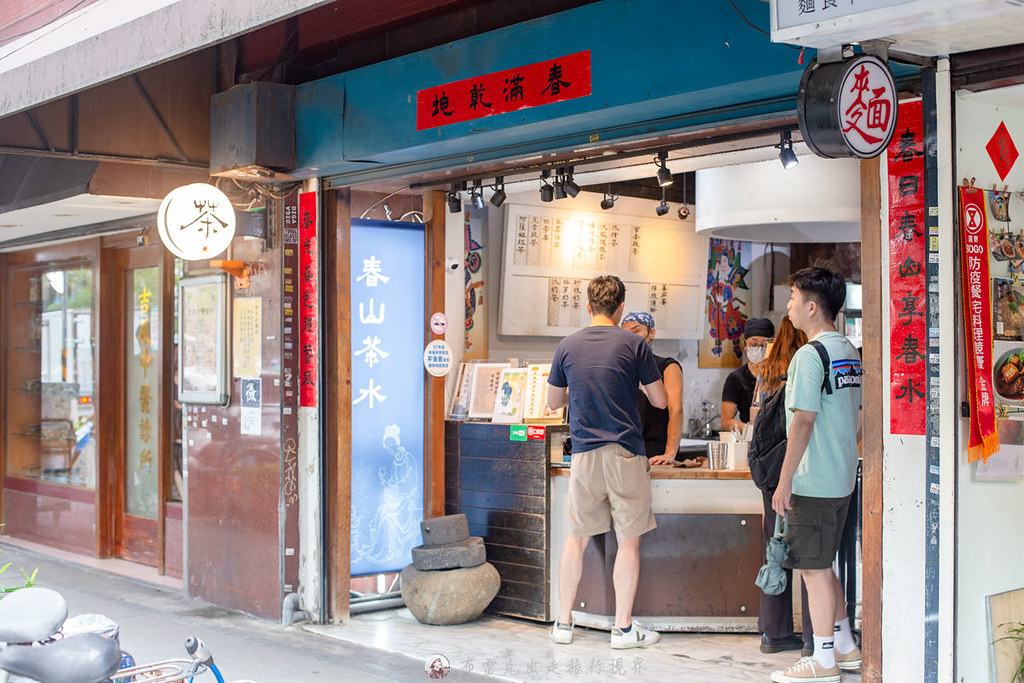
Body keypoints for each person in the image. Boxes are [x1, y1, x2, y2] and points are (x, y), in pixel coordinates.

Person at [546, 275, 668, 650]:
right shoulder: (635, 345)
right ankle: (623, 630)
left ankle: (563, 623)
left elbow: (553, 402)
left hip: (582, 455)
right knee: (628, 544)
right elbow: (661, 400)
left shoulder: (567, 346)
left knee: (575, 540)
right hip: (625, 453)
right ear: (619, 309)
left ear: (588, 307)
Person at [771, 267, 863, 683]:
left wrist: (785, 479)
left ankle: (823, 659)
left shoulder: (809, 356)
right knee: (823, 565)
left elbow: (803, 421)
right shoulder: (847, 349)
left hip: (813, 480)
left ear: (811, 306)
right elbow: (856, 417)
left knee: (812, 569)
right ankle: (844, 647)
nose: (788, 305)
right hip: (842, 477)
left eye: (792, 297)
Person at [749, 316, 812, 655]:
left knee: (775, 548)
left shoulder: (767, 371)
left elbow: (754, 419)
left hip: (771, 473)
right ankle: (815, 637)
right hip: (803, 470)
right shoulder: (810, 364)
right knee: (812, 556)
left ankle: (773, 633)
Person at [620, 311, 692, 467]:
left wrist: (669, 453)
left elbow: (676, 410)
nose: (632, 338)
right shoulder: (620, 368)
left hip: (657, 456)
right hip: (624, 455)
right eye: (626, 334)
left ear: (651, 332)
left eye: (636, 331)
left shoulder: (667, 366)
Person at [721, 317, 775, 434]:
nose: (760, 349)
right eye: (754, 344)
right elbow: (726, 421)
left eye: (765, 345)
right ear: (745, 345)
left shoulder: (780, 375)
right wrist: (751, 430)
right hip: (751, 440)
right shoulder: (736, 379)